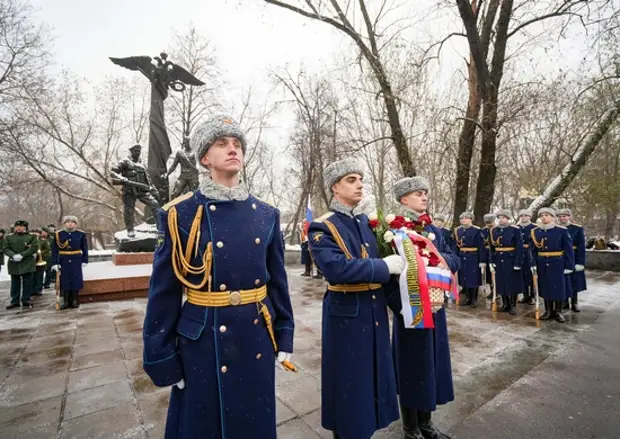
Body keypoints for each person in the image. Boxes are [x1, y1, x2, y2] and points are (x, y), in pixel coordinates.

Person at [142, 115, 295, 439]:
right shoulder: (179, 214)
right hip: (203, 341)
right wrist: (162, 357)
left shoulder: (266, 214)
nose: (232, 149)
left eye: (237, 144)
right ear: (204, 158)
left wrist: (284, 333)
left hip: (254, 336)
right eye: (222, 144)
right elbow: (163, 293)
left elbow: (277, 283)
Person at [308, 158, 403, 439]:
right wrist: (383, 267)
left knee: (371, 383)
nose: (360, 184)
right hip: (346, 316)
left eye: (360, 179)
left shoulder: (364, 222)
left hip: (372, 312)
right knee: (350, 386)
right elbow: (336, 269)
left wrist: (406, 307)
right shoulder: (323, 226)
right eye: (351, 179)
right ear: (335, 187)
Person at [388, 176, 459, 439]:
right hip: (411, 309)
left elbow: (454, 256)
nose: (424, 197)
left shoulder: (435, 229)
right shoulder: (394, 230)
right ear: (404, 199)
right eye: (419, 193)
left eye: (425, 193)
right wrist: (401, 305)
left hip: (436, 306)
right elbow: (390, 271)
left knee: (430, 364)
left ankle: (426, 424)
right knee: (411, 367)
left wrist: (442, 263)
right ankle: (411, 428)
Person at [530, 208, 575, 323]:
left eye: (547, 215)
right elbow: (533, 250)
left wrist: (569, 266)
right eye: (542, 216)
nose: (544, 217)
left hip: (557, 262)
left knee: (558, 287)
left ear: (552, 217)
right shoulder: (536, 231)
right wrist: (533, 263)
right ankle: (548, 310)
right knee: (545, 287)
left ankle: (558, 311)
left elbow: (568, 250)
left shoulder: (561, 231)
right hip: (542, 263)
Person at [110, 144, 160, 237]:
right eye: (136, 151)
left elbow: (148, 178)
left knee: (155, 204)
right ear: (131, 151)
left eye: (139, 151)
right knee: (129, 209)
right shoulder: (125, 161)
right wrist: (121, 178)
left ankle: (160, 228)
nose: (138, 152)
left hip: (142, 190)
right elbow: (113, 171)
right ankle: (130, 230)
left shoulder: (142, 164)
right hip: (130, 190)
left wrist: (153, 188)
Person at [488, 210, 524, 315]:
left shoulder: (515, 230)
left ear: (508, 219)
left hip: (511, 259)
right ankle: (505, 304)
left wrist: (518, 262)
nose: (501, 220)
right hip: (499, 259)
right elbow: (492, 247)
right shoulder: (494, 230)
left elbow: (519, 247)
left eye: (503, 218)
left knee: (512, 283)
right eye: (499, 218)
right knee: (501, 282)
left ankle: (512, 305)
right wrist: (492, 261)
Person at [51, 216, 89, 309]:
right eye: (68, 222)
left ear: (76, 224)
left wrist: (85, 260)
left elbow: (85, 248)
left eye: (73, 222)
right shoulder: (58, 234)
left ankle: (75, 300)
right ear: (64, 223)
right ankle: (66, 300)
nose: (70, 223)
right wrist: (55, 262)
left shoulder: (80, 234)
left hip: (76, 259)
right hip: (63, 260)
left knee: (76, 279)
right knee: (65, 280)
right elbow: (54, 250)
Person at [2, 220, 37, 309]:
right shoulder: (9, 237)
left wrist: (22, 255)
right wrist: (13, 255)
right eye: (17, 226)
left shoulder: (31, 236)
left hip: (27, 261)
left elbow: (34, 247)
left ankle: (26, 299)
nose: (18, 228)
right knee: (15, 282)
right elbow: (5, 248)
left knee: (27, 282)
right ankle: (14, 301)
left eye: (21, 226)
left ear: (25, 227)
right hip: (14, 262)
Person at [454, 212, 486, 308]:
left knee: (473, 278)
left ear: (471, 219)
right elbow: (456, 246)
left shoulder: (476, 230)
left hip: (473, 257)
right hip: (461, 256)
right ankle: (467, 298)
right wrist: (455, 258)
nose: (464, 220)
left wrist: (482, 260)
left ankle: (474, 299)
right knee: (464, 277)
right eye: (462, 219)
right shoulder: (458, 230)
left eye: (466, 218)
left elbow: (481, 246)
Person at [557, 208, 586, 312]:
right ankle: (564, 301)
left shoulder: (577, 229)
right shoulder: (556, 229)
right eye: (560, 217)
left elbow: (581, 247)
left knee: (574, 280)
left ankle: (574, 302)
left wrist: (580, 262)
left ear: (569, 217)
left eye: (564, 216)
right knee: (563, 280)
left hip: (574, 256)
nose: (562, 218)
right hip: (560, 257)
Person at [517, 210, 536, 305]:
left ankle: (532, 295)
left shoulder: (535, 227)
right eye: (521, 216)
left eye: (526, 215)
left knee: (531, 275)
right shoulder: (517, 227)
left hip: (530, 254)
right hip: (520, 254)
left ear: (530, 217)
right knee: (522, 275)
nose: (523, 217)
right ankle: (525, 295)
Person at [480, 214, 496, 300]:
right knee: (488, 274)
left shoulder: (496, 229)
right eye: (487, 222)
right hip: (486, 252)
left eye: (490, 222)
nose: (489, 224)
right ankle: (491, 289)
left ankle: (497, 290)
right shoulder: (482, 231)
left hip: (495, 253)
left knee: (496, 272)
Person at [32, 228, 51, 296]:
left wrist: (40, 253)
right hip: (32, 261)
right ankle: (32, 290)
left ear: (40, 234)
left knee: (39, 276)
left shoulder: (43, 241)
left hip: (41, 260)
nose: (36, 234)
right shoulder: (30, 241)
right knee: (32, 276)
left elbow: (47, 249)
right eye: (34, 232)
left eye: (37, 233)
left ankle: (38, 290)